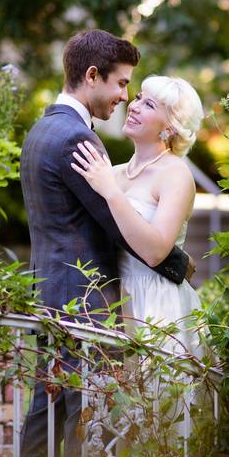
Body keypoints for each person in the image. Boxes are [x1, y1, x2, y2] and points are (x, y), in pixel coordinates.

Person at [19, 30, 191, 457]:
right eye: (121, 84)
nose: (124, 97)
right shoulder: (77, 138)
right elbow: (117, 228)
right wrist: (181, 266)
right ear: (91, 76)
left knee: (45, 421)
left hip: (50, 296)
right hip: (86, 307)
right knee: (86, 427)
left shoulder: (40, 130)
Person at [69, 75, 205, 356]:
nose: (133, 105)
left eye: (149, 104)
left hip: (157, 301)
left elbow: (155, 252)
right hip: (112, 299)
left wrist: (111, 193)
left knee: (157, 395)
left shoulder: (175, 174)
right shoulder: (112, 172)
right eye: (139, 97)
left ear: (170, 127)